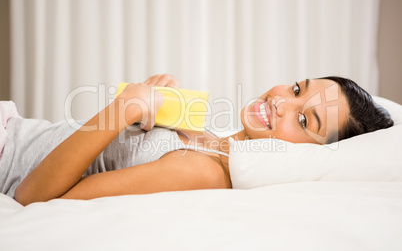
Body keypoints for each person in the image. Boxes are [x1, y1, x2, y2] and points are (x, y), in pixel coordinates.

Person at [0, 74, 393, 206]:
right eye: (295, 89)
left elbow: (33, 197)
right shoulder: (213, 142)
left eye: (304, 119)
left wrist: (123, 108)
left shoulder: (204, 172)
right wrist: (150, 110)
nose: (279, 103)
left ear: (311, 157)